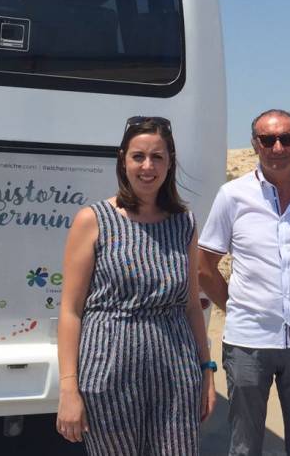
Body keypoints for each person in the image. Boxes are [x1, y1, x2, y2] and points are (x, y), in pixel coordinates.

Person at [56, 116, 215, 454]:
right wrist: (68, 388)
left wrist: (206, 370)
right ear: (122, 160)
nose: (147, 166)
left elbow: (190, 305)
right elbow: (70, 311)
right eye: (138, 156)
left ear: (170, 162)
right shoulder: (93, 220)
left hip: (176, 370)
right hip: (109, 369)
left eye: (157, 157)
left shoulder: (183, 222)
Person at [198, 108, 290, 456]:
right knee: (245, 443)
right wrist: (235, 305)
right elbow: (204, 266)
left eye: (286, 138)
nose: (277, 147)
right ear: (255, 144)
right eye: (268, 139)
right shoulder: (233, 195)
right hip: (249, 341)